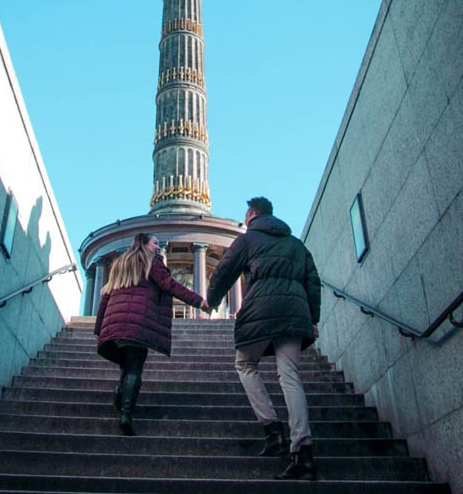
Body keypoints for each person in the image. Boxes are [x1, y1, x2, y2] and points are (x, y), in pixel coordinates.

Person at [206, 196, 321, 481]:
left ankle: (272, 429)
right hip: (294, 313)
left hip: (261, 309)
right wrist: (313, 319)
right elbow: (313, 282)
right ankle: (302, 451)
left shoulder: (249, 239)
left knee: (245, 364)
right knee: (290, 375)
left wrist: (211, 299)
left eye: (247, 213)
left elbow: (224, 270)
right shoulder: (296, 244)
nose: (245, 217)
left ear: (253, 214)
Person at [94, 232, 210, 435]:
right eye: (155, 243)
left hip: (115, 323)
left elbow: (106, 295)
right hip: (139, 323)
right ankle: (126, 415)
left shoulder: (120, 265)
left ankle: (121, 394)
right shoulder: (152, 262)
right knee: (134, 368)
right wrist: (199, 301)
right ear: (145, 245)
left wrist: (99, 328)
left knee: (126, 365)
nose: (158, 247)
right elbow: (170, 286)